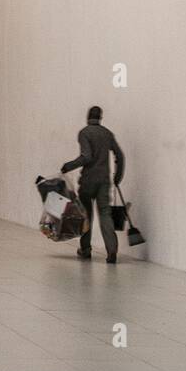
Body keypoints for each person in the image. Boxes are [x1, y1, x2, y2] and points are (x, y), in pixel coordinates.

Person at [62, 106, 125, 264]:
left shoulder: (84, 133)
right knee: (105, 214)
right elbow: (120, 156)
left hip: (88, 181)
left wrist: (68, 166)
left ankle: (85, 249)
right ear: (100, 118)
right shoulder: (107, 134)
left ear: (88, 117)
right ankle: (111, 251)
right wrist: (117, 177)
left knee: (86, 215)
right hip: (104, 181)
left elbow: (86, 157)